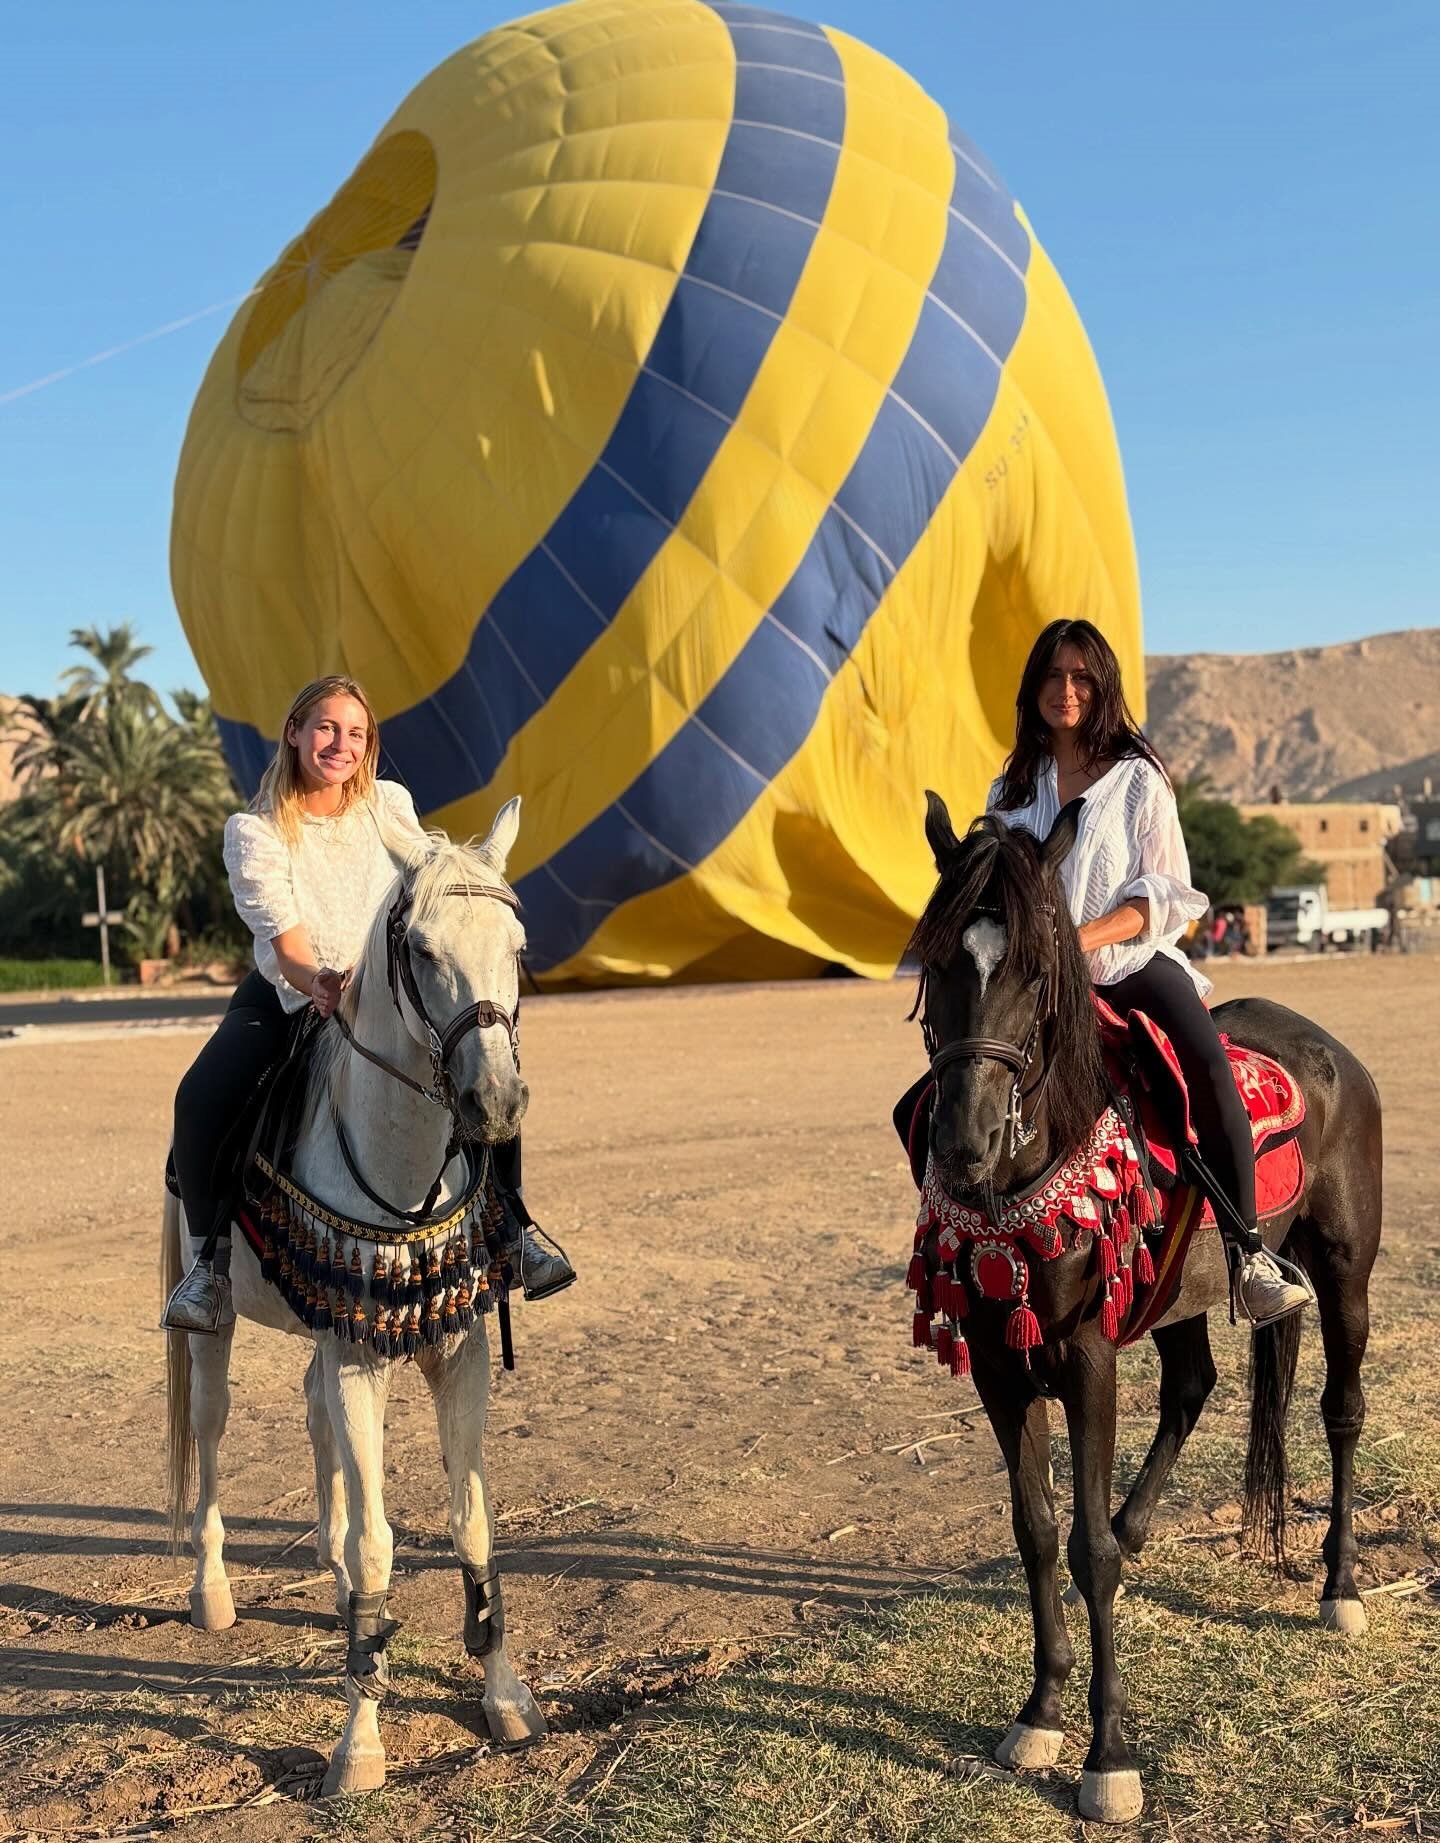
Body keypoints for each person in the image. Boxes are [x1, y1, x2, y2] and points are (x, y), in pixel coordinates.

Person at [161, 675, 575, 1334]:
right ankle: (208, 1267)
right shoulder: (256, 831)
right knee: (201, 1096)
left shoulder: (389, 804)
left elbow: (425, 887)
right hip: (294, 995)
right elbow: (288, 946)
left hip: (389, 989)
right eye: (326, 727)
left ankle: (516, 1232)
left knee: (487, 1068)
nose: (341, 744)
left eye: (356, 732)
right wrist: (319, 980)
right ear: (294, 732)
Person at [983, 618, 1312, 1326]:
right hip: (1033, 978)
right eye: (1053, 676)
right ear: (1033, 687)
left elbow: (1162, 893)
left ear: (1102, 687)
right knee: (955, 1070)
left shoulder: (1138, 779)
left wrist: (1077, 939)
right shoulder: (1009, 789)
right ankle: (961, 1232)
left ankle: (1249, 1255)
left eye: (1081, 677)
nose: (1066, 690)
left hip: (1126, 963)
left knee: (1206, 1067)